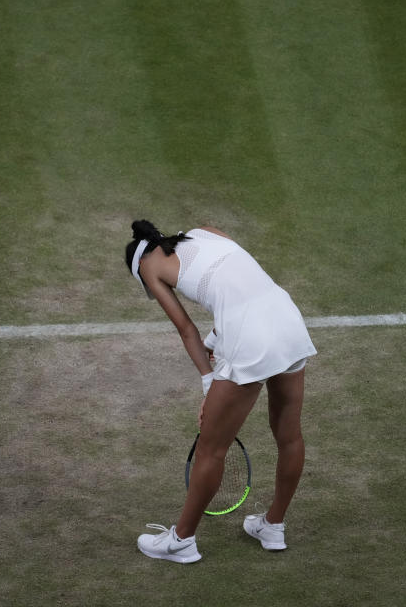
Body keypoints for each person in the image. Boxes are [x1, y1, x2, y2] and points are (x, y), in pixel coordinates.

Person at [124, 219, 317, 564]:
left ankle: (181, 540)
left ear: (140, 266)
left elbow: (186, 330)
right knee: (289, 436)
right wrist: (217, 342)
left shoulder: (148, 268)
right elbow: (240, 284)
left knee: (211, 448)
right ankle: (273, 526)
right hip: (287, 320)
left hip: (251, 336)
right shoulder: (204, 231)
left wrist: (208, 381)